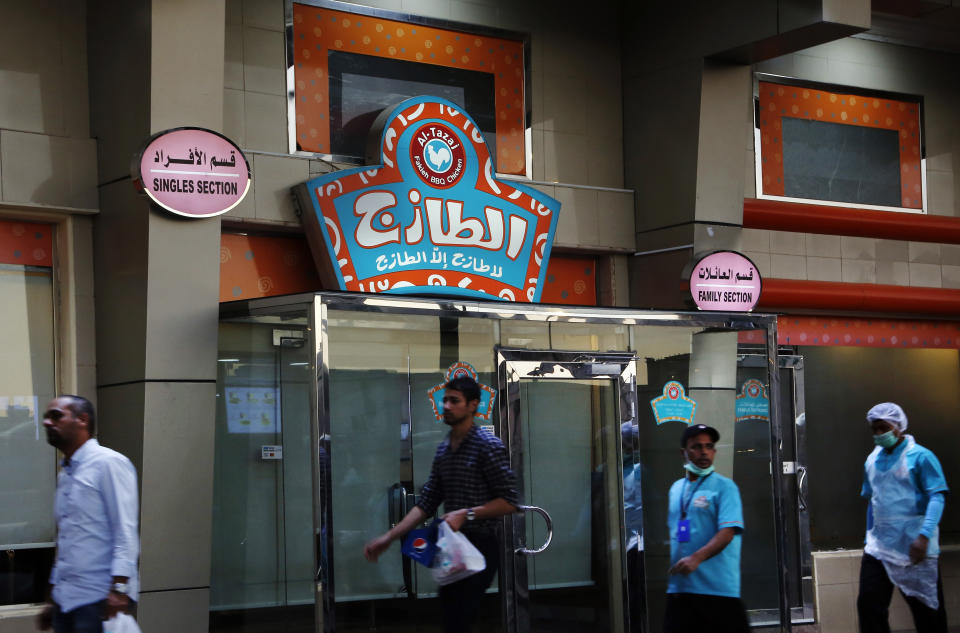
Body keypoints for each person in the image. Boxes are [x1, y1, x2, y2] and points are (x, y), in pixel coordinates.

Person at [363, 375, 519, 633]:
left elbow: (510, 501)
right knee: (450, 614)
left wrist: (467, 514)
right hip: (451, 545)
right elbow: (426, 503)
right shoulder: (444, 449)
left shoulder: (487, 446)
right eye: (445, 400)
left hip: (479, 545)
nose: (447, 405)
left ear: (472, 405)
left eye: (454, 400)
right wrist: (388, 537)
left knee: (460, 617)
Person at [37, 395, 140, 633]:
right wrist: (52, 598)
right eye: (46, 417)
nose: (47, 423)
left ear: (82, 420)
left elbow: (124, 530)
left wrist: (120, 589)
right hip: (67, 600)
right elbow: (67, 539)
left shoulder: (109, 464)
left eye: (56, 416)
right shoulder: (66, 473)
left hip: (98, 600)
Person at [857, 402, 949, 633]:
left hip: (914, 544)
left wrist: (924, 536)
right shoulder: (872, 461)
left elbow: (937, 496)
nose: (879, 434)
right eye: (874, 429)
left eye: (884, 428)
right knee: (869, 607)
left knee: (927, 611)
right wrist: (869, 538)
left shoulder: (921, 457)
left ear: (898, 426)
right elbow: (873, 500)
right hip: (879, 546)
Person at [664, 424, 748, 633]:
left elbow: (728, 532)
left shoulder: (725, 487)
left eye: (709, 446)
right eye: (696, 446)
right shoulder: (676, 489)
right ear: (683, 453)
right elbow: (680, 531)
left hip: (718, 593)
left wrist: (696, 558)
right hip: (681, 590)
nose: (703, 451)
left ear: (714, 451)